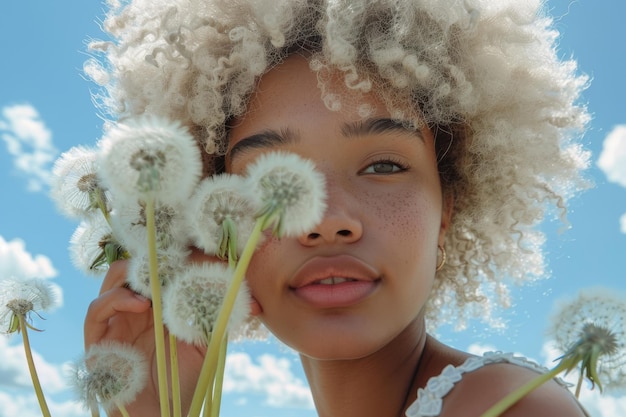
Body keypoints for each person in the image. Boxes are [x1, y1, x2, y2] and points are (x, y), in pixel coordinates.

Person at [83, 0, 591, 416]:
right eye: (271, 181)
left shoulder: (509, 408)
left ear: (446, 213)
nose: (327, 221)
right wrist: (149, 407)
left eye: (384, 167)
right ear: (211, 225)